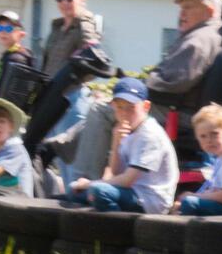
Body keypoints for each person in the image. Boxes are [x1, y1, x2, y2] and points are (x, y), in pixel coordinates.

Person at [71, 78, 179, 214]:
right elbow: (116, 173)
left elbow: (127, 180)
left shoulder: (149, 134)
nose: (124, 113)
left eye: (131, 107)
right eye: (120, 107)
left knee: (99, 191)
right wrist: (116, 142)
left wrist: (90, 184)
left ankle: (119, 232)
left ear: (146, 106)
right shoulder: (126, 130)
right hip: (131, 192)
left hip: (150, 200)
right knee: (75, 193)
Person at [39, 0, 103, 147]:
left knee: (70, 157)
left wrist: (74, 79)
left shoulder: (85, 24)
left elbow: (95, 60)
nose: (64, 3)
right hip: (52, 96)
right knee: (52, 153)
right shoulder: (57, 27)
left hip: (72, 97)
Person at [147, 0, 222, 99]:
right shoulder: (205, 34)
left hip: (174, 110)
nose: (181, 14)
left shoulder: (198, 40)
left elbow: (172, 83)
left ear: (209, 11)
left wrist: (143, 82)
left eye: (188, 7)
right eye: (181, 8)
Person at [179, 103, 222, 215]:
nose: (209, 140)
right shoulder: (221, 157)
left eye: (214, 134)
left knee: (190, 203)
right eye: (203, 136)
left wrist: (196, 196)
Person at [0, 10, 34, 84]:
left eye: (8, 29)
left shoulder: (16, 59)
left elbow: (13, 91)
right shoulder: (10, 54)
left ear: (20, 34)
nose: (3, 32)